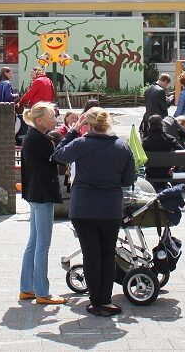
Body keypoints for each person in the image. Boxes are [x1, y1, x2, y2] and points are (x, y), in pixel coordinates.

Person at [53, 107, 136, 317]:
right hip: (110, 207)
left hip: (84, 207)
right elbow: (128, 180)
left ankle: (94, 301)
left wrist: (73, 130)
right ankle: (106, 301)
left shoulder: (81, 144)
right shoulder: (121, 146)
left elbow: (58, 155)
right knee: (108, 254)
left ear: (88, 124)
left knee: (91, 255)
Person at [18, 102, 66, 305]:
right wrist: (72, 134)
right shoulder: (41, 140)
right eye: (51, 115)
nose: (55, 118)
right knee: (42, 244)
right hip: (43, 194)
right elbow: (60, 157)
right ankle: (42, 292)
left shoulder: (31, 137)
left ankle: (27, 288)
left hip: (34, 194)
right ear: (39, 120)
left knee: (34, 242)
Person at [142, 114, 181, 189]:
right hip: (166, 172)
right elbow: (182, 153)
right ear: (161, 124)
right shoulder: (169, 139)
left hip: (151, 173)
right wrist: (175, 168)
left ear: (149, 126)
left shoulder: (146, 141)